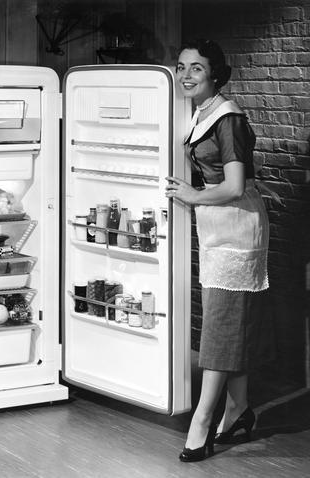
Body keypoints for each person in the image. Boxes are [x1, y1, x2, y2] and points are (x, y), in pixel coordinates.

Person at [165, 39, 270, 462]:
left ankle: (203, 423)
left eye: (196, 68)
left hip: (238, 227)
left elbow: (234, 186)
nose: (186, 75)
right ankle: (239, 409)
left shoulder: (229, 119)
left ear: (216, 75)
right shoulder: (200, 113)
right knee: (230, 320)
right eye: (181, 67)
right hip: (216, 226)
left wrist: (191, 195)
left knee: (221, 327)